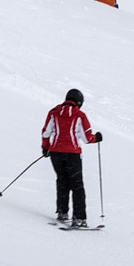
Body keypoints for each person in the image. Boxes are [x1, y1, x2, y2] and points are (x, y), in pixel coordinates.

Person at [41, 88, 102, 227]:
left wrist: (46, 148)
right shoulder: (80, 116)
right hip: (72, 154)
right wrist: (96, 138)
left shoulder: (54, 112)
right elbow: (87, 139)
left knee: (62, 180)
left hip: (55, 153)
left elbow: (46, 132)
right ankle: (79, 218)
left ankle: (62, 212)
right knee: (77, 185)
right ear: (79, 102)